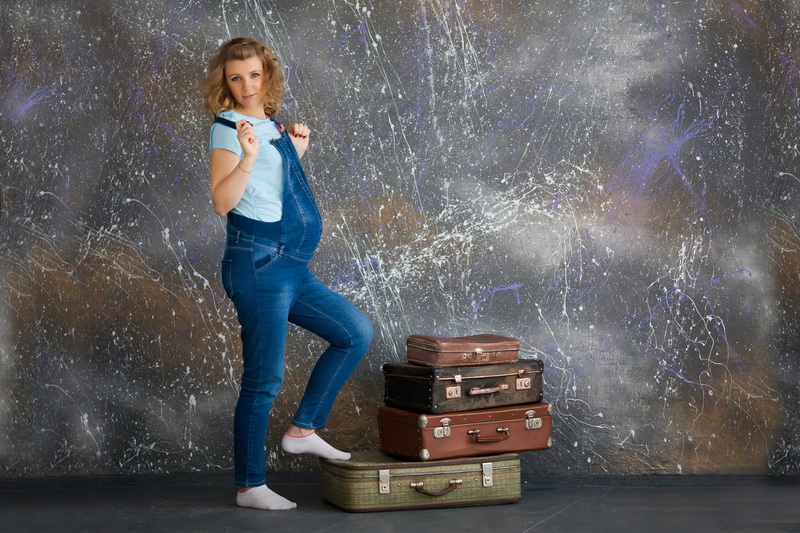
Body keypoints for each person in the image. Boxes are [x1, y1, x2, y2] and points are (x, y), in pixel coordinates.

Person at [203, 37, 373, 511]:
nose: (247, 86)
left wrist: (293, 153)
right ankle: (249, 485)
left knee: (354, 333)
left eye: (254, 75)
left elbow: (269, 192)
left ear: (267, 76)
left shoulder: (271, 125)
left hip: (292, 266)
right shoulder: (228, 128)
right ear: (225, 83)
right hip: (260, 266)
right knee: (264, 379)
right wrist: (249, 156)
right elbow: (222, 201)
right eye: (236, 78)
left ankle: (303, 429)